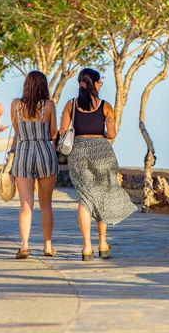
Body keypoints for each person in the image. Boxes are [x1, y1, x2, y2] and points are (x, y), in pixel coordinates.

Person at [59, 68, 136, 261]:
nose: (101, 85)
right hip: (102, 151)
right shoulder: (105, 106)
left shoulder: (71, 105)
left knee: (85, 199)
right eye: (99, 82)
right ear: (93, 84)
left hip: (78, 152)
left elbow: (62, 131)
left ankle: (86, 248)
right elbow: (111, 134)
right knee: (101, 196)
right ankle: (102, 243)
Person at [11, 71, 60, 260]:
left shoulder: (15, 106)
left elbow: (16, 129)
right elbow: (53, 132)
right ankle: (48, 245)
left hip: (23, 152)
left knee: (25, 205)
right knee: (46, 203)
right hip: (44, 152)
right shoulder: (48, 106)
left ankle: (24, 245)